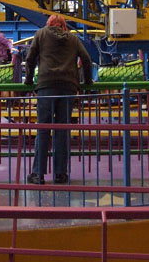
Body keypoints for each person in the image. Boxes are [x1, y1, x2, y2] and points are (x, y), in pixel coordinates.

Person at [24, 14, 93, 185]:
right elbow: (86, 59)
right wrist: (87, 83)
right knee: (62, 130)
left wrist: (29, 80)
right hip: (68, 87)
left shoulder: (40, 34)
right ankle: (60, 175)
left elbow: (30, 58)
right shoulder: (73, 39)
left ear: (49, 24)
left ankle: (38, 174)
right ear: (63, 26)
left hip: (46, 86)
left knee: (43, 130)